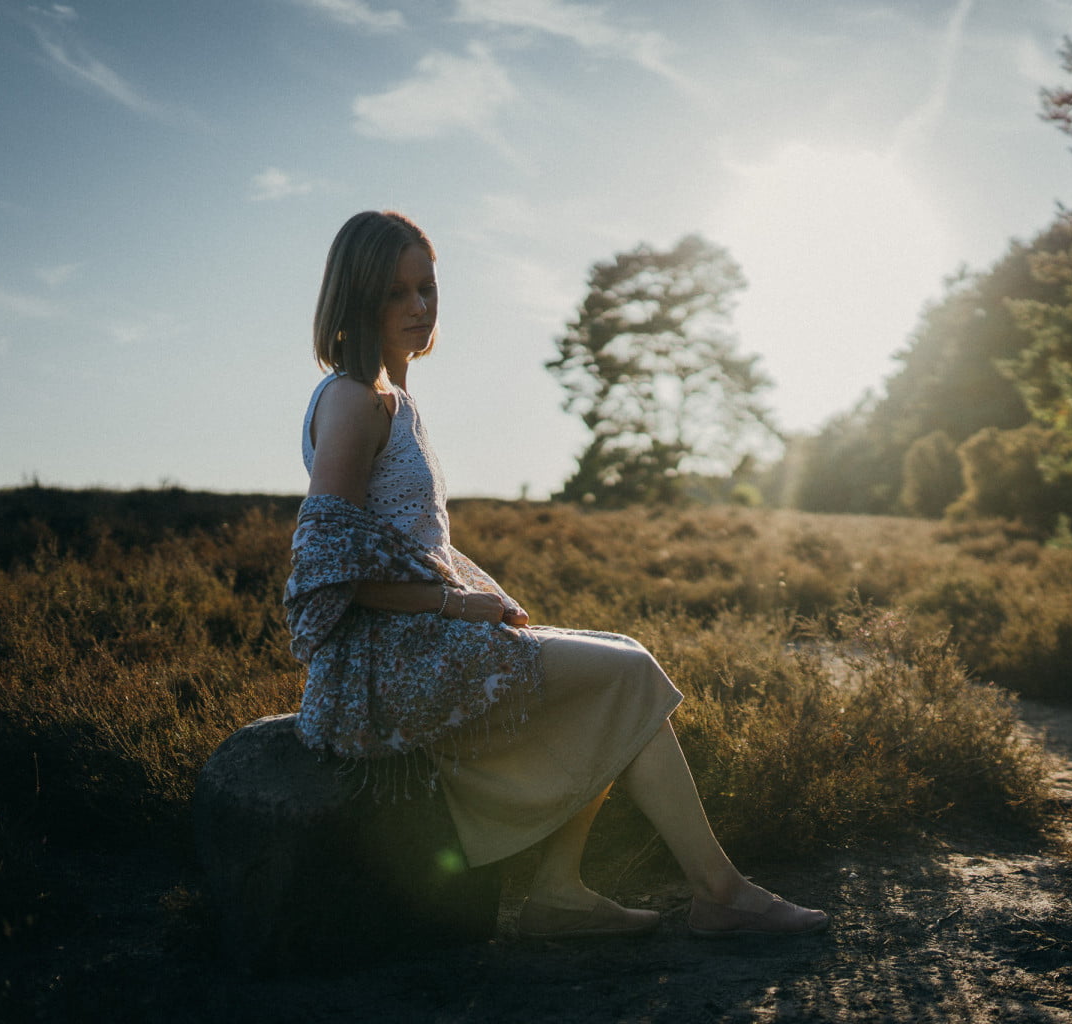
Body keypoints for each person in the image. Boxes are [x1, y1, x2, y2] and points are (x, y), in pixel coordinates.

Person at [284, 209, 828, 940]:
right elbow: (328, 568)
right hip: (386, 660)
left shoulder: (393, 399)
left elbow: (410, 540)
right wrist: (455, 606)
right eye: (394, 293)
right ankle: (718, 892)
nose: (418, 306)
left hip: (419, 634)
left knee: (613, 664)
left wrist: (481, 595)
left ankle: (559, 892)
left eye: (426, 287)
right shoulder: (354, 400)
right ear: (355, 298)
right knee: (629, 670)